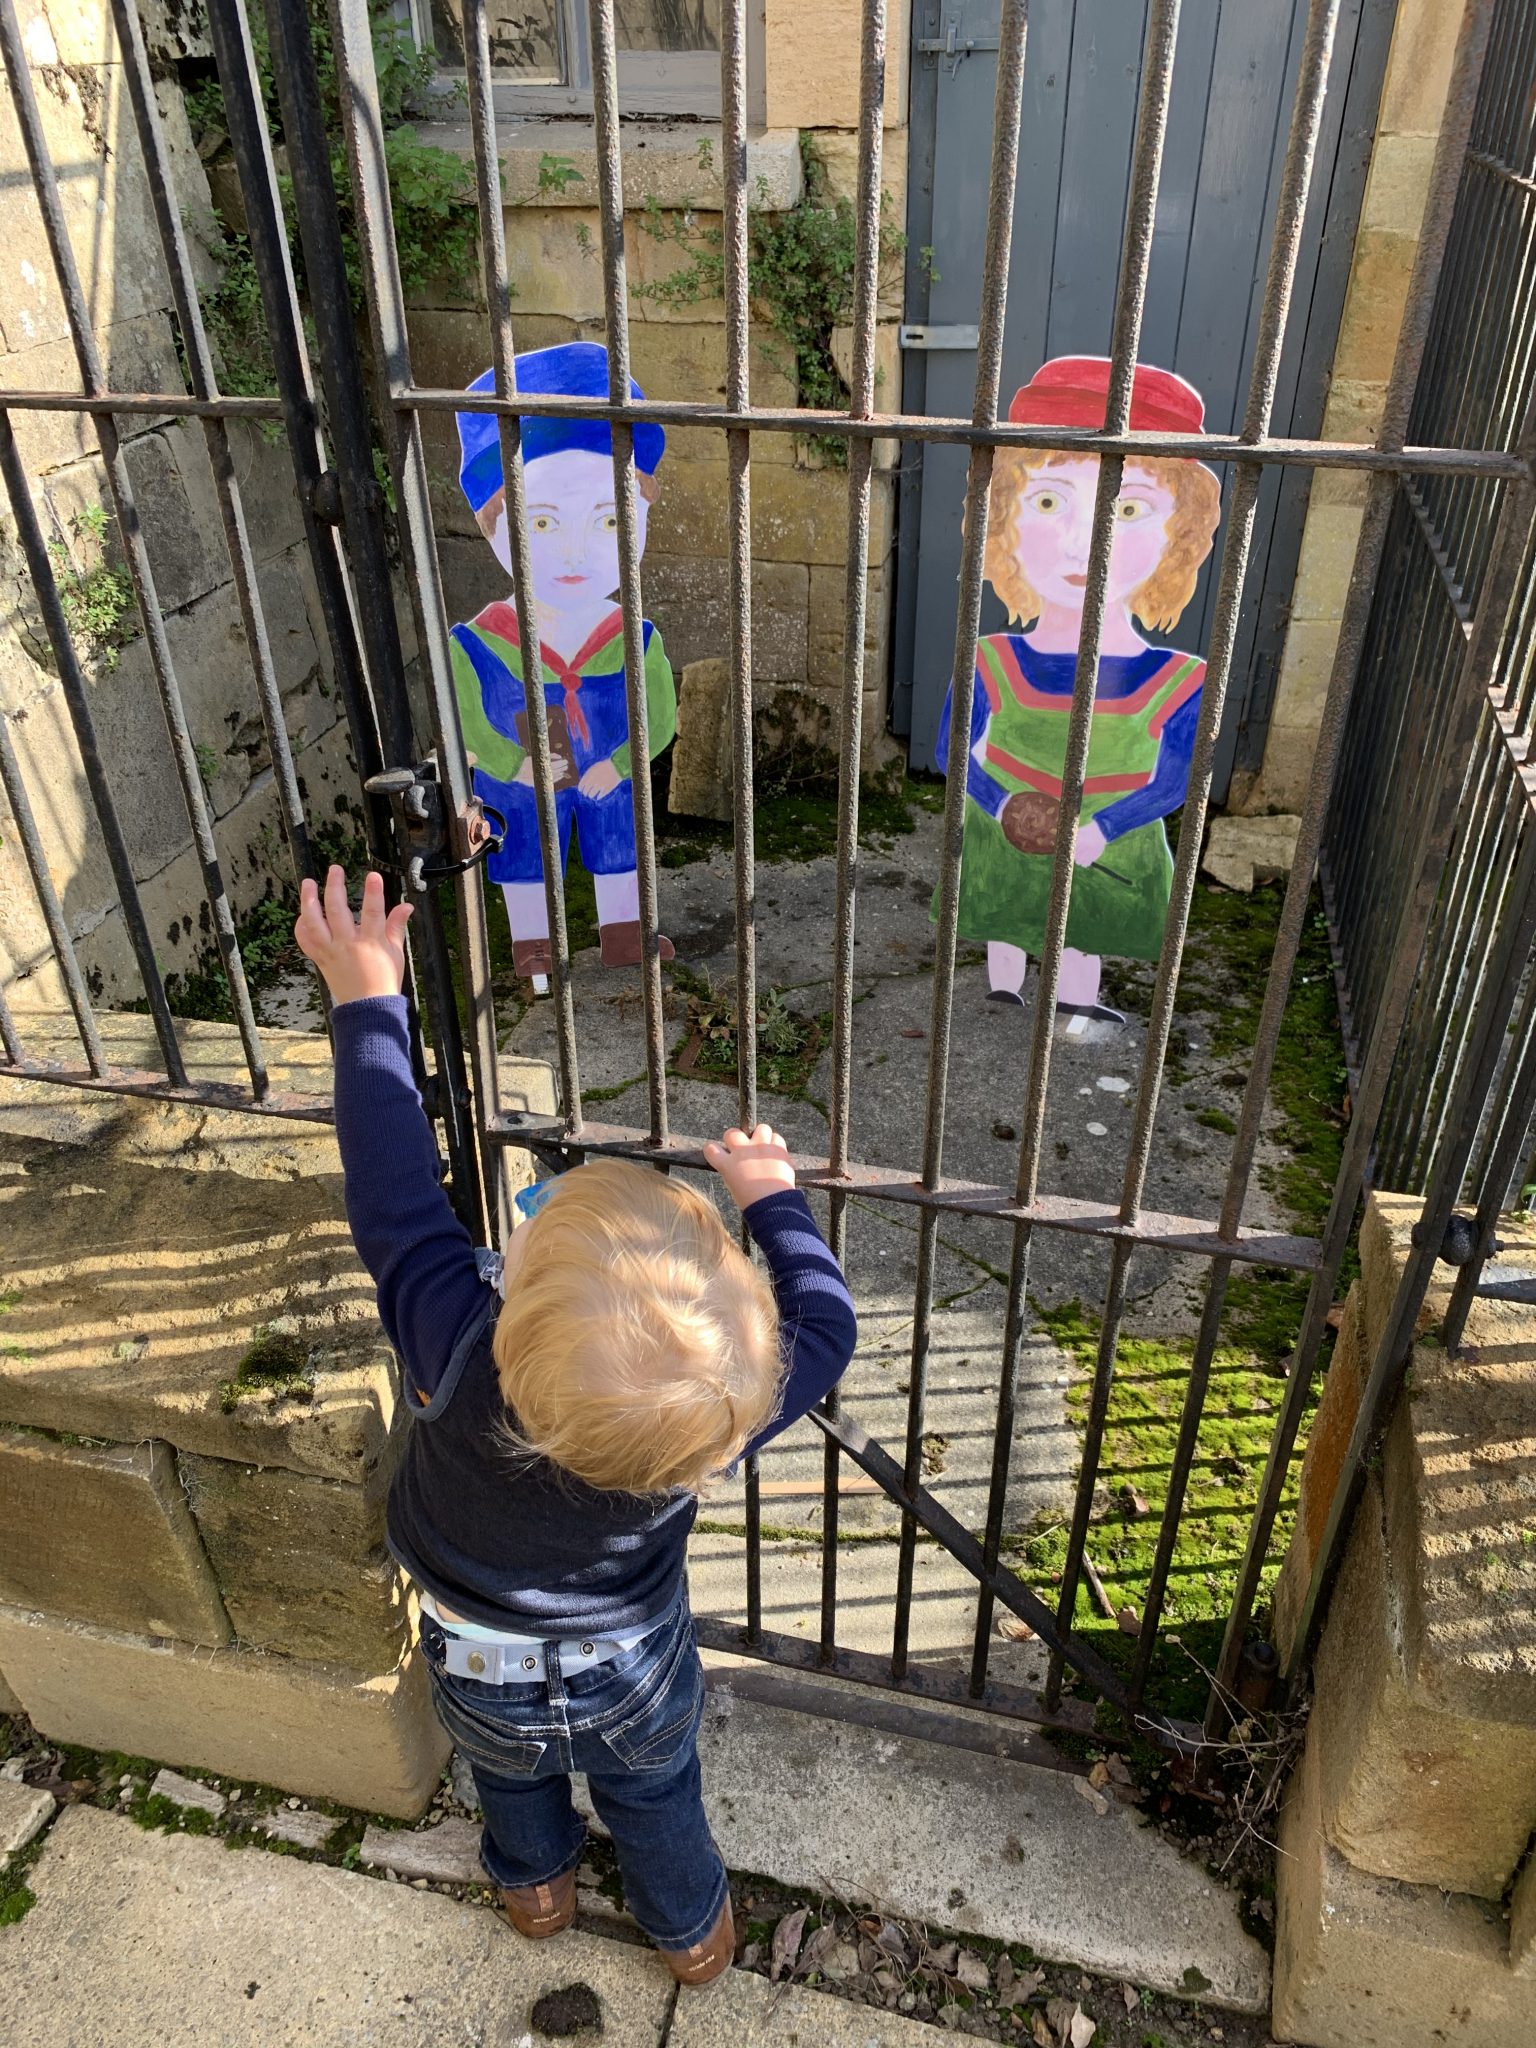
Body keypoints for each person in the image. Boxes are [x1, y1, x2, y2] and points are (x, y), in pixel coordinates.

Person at [293, 864, 857, 1984]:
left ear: (513, 1290)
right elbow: (828, 1327)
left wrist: (367, 999)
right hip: (631, 1667)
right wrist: (774, 1199)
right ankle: (689, 1932)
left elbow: (391, 1186)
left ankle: (536, 1888)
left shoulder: (451, 1334)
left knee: (510, 1776)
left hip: (476, 1654)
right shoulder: (712, 1419)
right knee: (656, 1794)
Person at [933, 356, 1220, 1025]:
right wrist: (1002, 804)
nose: (1082, 543)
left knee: (1084, 926)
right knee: (1006, 910)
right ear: (1002, 517)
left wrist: (1105, 829)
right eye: (1047, 501)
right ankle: (1003, 990)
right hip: (1005, 833)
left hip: (1106, 845)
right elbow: (953, 750)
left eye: (1128, 508)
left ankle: (1077, 999)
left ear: (1180, 534)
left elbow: (1176, 779)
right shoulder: (989, 660)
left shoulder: (1181, 681)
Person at [452, 341, 677, 990]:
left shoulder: (637, 640)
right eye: (543, 525)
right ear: (493, 524)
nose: (576, 554)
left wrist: (619, 764)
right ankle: (533, 949)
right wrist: (511, 764)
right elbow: (468, 721)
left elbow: (660, 717)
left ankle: (624, 933)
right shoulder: (476, 644)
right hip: (521, 782)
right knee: (521, 851)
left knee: (619, 839)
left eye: (609, 521)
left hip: (611, 777)